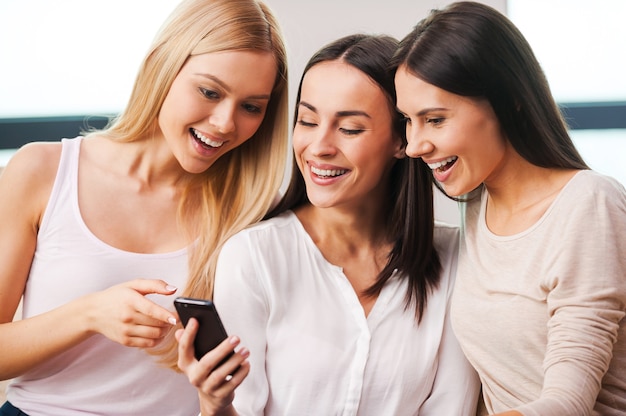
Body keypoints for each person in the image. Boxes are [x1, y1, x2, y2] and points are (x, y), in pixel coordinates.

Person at [0, 0, 289, 414]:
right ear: (162, 67)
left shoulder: (256, 213)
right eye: (209, 92)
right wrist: (89, 313)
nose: (226, 123)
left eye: (251, 107)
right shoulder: (44, 171)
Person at [176, 33, 480, 416]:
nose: (319, 146)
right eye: (307, 120)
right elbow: (241, 407)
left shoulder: (454, 260)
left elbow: (452, 407)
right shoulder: (254, 256)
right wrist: (215, 404)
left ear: (402, 140)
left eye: (350, 129)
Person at [392, 2, 626, 415]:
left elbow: (568, 403)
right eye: (409, 120)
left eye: (435, 119)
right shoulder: (477, 205)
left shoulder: (589, 204)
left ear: (509, 101)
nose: (414, 145)